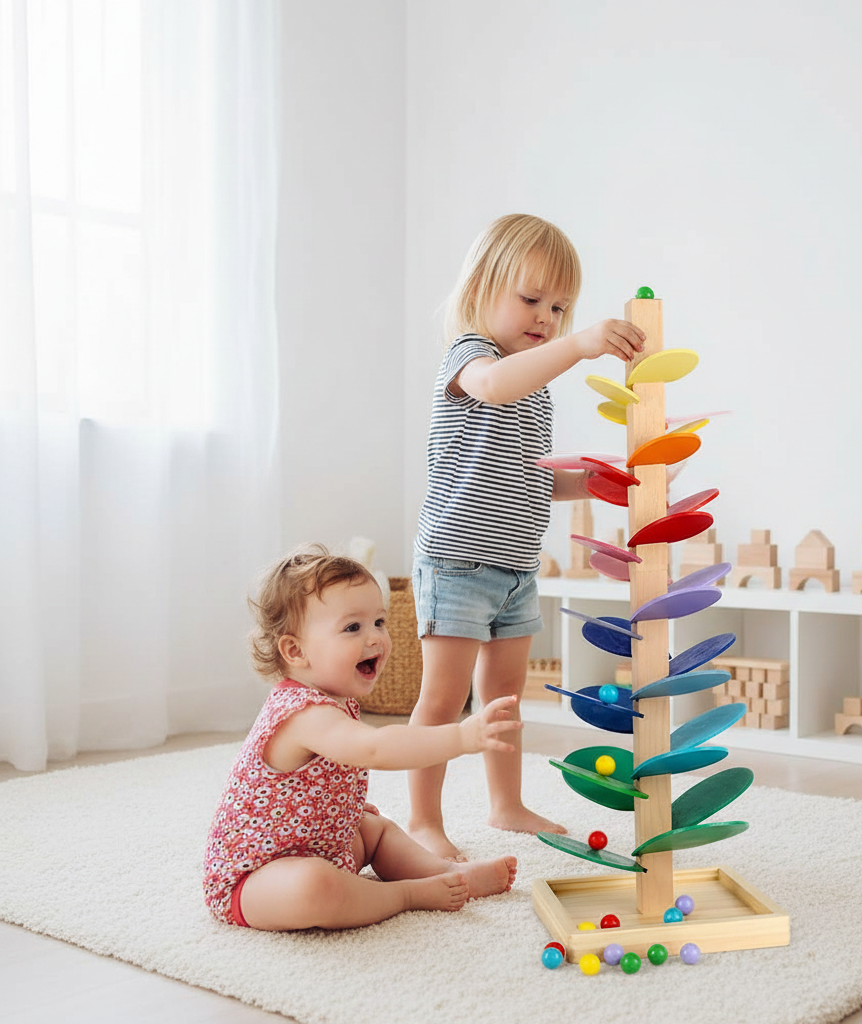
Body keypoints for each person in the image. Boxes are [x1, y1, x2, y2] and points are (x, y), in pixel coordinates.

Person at [408, 213, 647, 860]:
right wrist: (580, 344)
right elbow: (491, 385)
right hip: (457, 562)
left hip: (514, 569)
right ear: (482, 288)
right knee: (442, 701)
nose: (547, 316)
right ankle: (424, 820)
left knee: (504, 699)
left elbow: (533, 480)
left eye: (561, 307)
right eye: (531, 299)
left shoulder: (534, 389)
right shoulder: (472, 360)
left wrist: (600, 481)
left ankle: (504, 803)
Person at [203, 546, 519, 930]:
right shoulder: (302, 713)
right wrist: (462, 737)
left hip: (323, 845)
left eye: (379, 622)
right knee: (315, 887)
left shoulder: (337, 701)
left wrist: (347, 809)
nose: (376, 638)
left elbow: (316, 783)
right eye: (353, 627)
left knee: (375, 828)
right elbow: (374, 748)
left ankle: (447, 872)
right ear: (295, 650)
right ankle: (407, 894)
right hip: (256, 880)